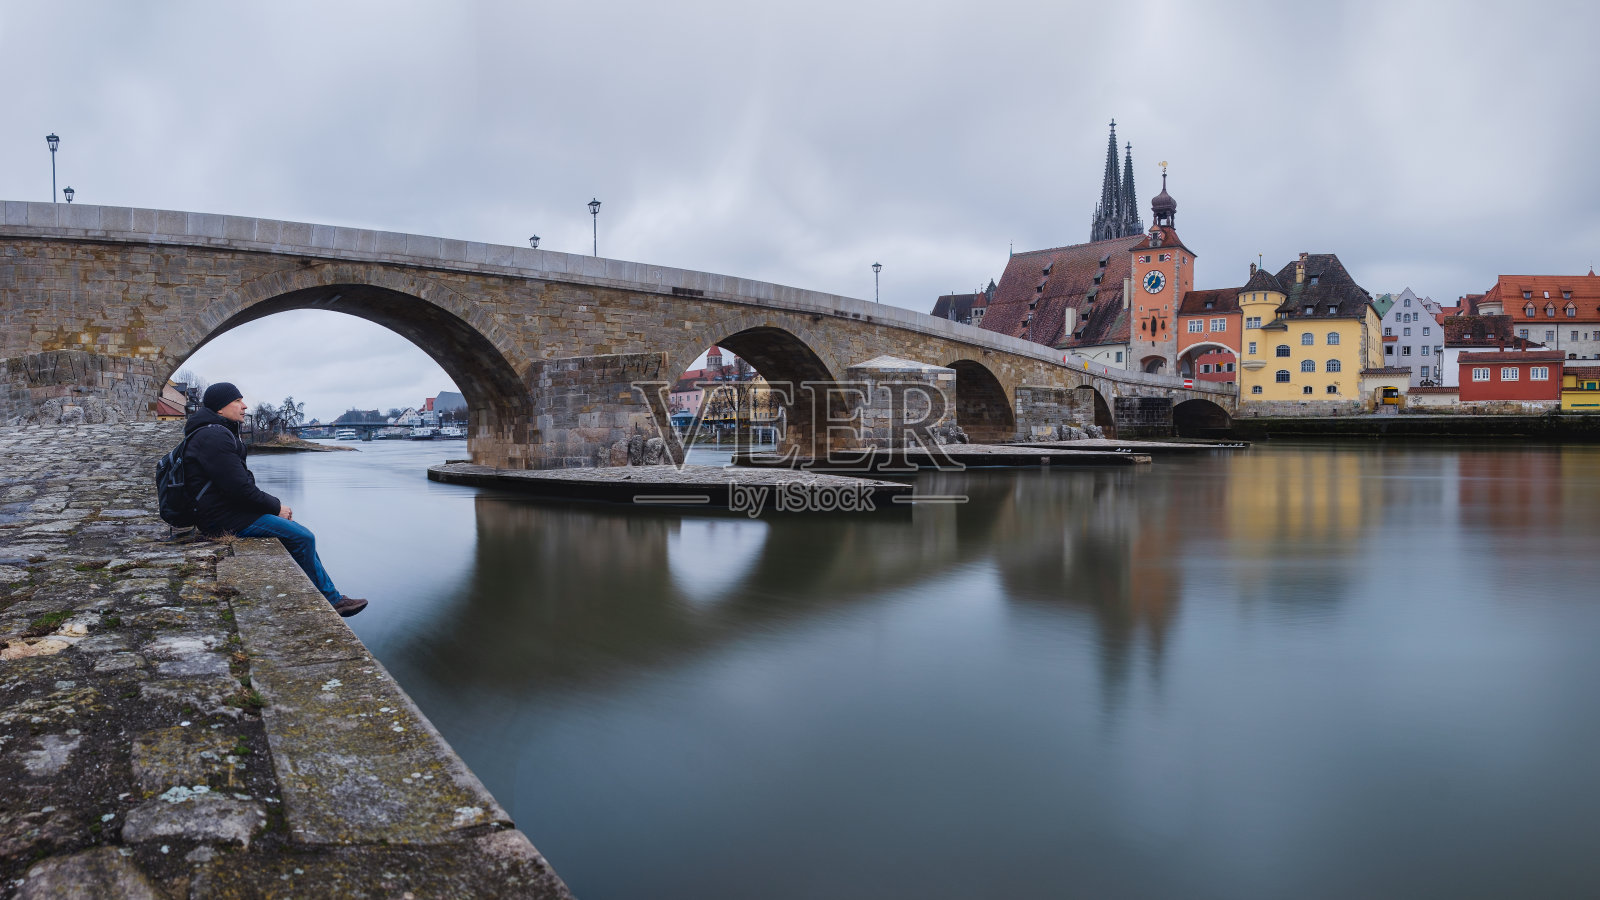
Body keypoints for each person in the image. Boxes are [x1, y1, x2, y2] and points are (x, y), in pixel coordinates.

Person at [184, 382, 368, 618]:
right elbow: (239, 489)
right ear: (220, 408)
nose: (244, 406)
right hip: (221, 518)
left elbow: (238, 486)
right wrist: (277, 507)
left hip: (222, 511)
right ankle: (332, 600)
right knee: (302, 536)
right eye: (238, 401)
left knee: (296, 532)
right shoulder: (214, 436)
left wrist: (272, 507)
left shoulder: (214, 432)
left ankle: (327, 594)